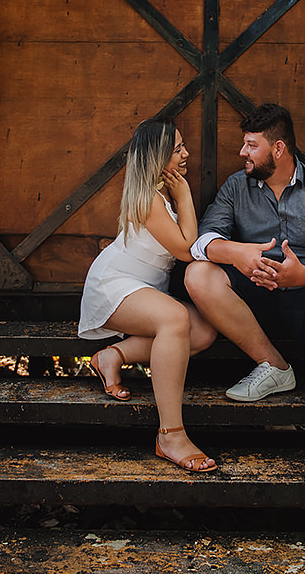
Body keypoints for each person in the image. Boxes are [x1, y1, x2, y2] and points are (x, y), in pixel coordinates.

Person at [184, 103, 305, 490]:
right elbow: (203, 242)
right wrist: (239, 254)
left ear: (278, 149)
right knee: (198, 274)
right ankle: (274, 366)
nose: (242, 153)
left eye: (251, 145)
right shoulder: (236, 187)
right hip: (250, 305)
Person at [79, 118, 218, 472]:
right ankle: (170, 434)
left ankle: (112, 355)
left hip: (140, 287)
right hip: (114, 284)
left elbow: (188, 244)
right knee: (175, 318)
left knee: (202, 331)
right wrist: (185, 194)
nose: (186, 154)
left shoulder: (160, 196)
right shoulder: (150, 200)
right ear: (156, 159)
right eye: (177, 150)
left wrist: (180, 196)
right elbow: (189, 250)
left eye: (183, 146)